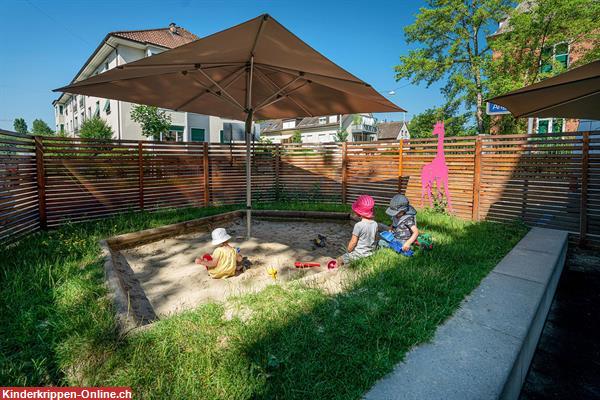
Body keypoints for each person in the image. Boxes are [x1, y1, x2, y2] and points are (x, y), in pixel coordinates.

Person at [337, 194, 378, 266]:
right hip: (371, 253)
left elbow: (353, 242)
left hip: (359, 255)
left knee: (340, 259)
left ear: (359, 212)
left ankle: (335, 269)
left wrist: (348, 251)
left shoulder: (358, 225)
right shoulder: (375, 224)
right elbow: (374, 239)